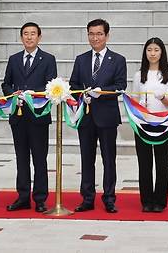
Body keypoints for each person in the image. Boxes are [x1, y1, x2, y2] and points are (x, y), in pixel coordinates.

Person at [69, 18, 127, 213]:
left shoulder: (118, 59)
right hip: (85, 116)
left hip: (107, 116)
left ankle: (109, 198)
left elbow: (120, 86)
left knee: (109, 159)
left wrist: (101, 91)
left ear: (107, 36)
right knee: (87, 159)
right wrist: (82, 94)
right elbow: (73, 85)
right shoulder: (81, 59)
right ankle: (87, 198)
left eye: (99, 34)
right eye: (91, 34)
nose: (95, 38)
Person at [2, 22, 57, 213]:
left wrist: (31, 93)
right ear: (21, 38)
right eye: (25, 34)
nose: (29, 37)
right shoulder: (14, 59)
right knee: (21, 158)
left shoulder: (48, 59)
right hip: (18, 116)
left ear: (39, 37)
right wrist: (14, 93)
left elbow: (51, 86)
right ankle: (23, 196)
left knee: (40, 159)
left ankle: (40, 198)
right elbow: (6, 84)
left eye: (33, 34)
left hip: (38, 116)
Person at [131, 37, 168, 213]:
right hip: (142, 124)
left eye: (156, 50)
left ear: (162, 52)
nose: (153, 53)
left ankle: (160, 201)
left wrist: (161, 97)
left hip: (163, 124)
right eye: (149, 50)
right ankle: (146, 200)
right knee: (145, 163)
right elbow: (134, 99)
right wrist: (139, 109)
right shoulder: (138, 75)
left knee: (162, 163)